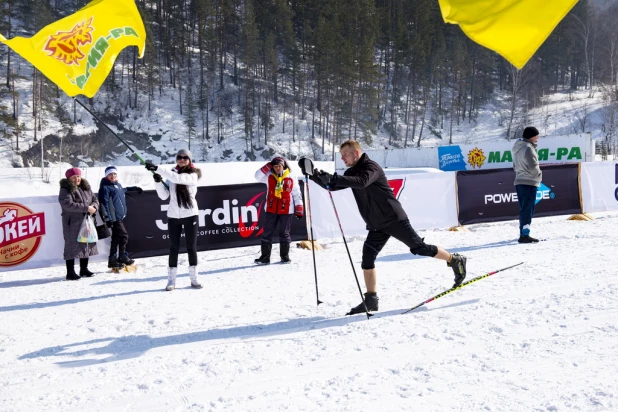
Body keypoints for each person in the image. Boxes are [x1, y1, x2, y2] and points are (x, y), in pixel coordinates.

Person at [306, 140, 467, 315]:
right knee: (367, 257)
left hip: (393, 219)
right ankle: (371, 300)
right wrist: (313, 174)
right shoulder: (351, 172)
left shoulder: (371, 167)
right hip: (376, 224)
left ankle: (454, 260)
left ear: (356, 153)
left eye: (345, 154)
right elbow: (332, 186)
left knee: (419, 248)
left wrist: (333, 178)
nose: (342, 158)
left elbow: (362, 182)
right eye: (341, 155)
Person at [145, 149, 203, 291]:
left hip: (190, 215)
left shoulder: (193, 175)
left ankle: (194, 279)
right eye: (179, 157)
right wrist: (158, 182)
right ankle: (171, 281)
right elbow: (164, 196)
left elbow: (178, 179)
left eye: (185, 157)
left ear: (189, 160)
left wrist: (158, 168)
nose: (182, 159)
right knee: (173, 248)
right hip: (173, 216)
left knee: (191, 247)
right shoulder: (171, 174)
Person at [254, 157, 304, 264]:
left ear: (284, 165)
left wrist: (299, 208)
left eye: (279, 166)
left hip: (286, 210)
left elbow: (296, 193)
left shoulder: (291, 176)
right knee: (267, 233)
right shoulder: (268, 175)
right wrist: (267, 166)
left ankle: (285, 257)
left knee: (284, 233)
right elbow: (257, 176)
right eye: (275, 166)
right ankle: (265, 257)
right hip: (271, 209)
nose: (277, 168)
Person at [98, 165, 144, 270]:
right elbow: (103, 204)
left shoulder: (117, 185)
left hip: (120, 217)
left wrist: (134, 188)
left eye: (114, 174)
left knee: (116, 238)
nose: (112, 176)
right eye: (110, 174)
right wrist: (107, 218)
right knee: (124, 236)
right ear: (106, 176)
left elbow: (123, 190)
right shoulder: (105, 188)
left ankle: (112, 259)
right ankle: (122, 255)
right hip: (114, 218)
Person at [58, 167, 99, 281]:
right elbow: (67, 204)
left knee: (86, 243)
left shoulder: (86, 188)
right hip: (72, 222)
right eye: (74, 177)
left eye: (78, 176)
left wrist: (94, 207)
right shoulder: (65, 189)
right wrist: (87, 208)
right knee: (71, 246)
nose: (77, 179)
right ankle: (70, 272)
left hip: (86, 221)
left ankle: (84, 269)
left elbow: (95, 199)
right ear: (69, 178)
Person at [513, 126, 542, 244]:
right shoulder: (528, 148)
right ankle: (524, 235)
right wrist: (539, 175)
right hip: (529, 181)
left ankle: (523, 233)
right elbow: (533, 167)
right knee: (528, 209)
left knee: (524, 208)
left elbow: (514, 166)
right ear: (532, 136)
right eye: (537, 135)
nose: (538, 137)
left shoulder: (517, 148)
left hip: (519, 180)